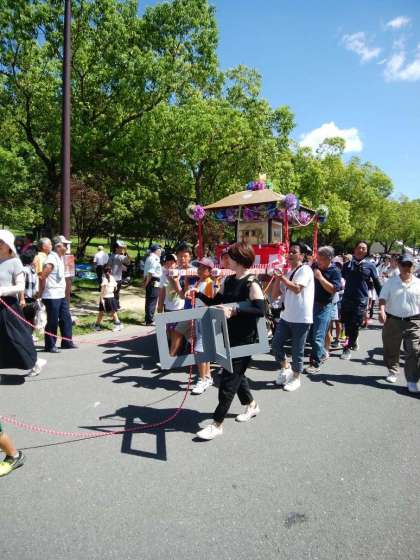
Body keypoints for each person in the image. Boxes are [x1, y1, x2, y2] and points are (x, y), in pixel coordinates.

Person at [194, 242, 264, 441]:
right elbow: (216, 302)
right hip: (228, 335)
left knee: (227, 381)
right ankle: (252, 405)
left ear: (239, 259)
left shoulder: (252, 282)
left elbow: (261, 309)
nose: (225, 260)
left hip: (245, 339)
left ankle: (217, 424)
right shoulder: (229, 280)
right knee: (237, 376)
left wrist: (236, 310)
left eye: (229, 257)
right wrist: (198, 294)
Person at [0, 229, 46, 376]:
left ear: (8, 245)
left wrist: (3, 290)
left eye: (1, 242)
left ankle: (35, 361)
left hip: (8, 305)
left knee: (17, 336)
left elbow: (20, 286)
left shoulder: (15, 262)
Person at [271, 243, 314, 392]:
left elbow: (296, 289)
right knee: (275, 344)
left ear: (301, 255)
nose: (290, 254)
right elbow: (275, 295)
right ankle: (285, 368)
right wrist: (277, 278)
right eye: (289, 252)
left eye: (294, 252)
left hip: (301, 318)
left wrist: (282, 277)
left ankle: (296, 378)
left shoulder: (306, 270)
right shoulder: (288, 273)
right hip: (286, 316)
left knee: (297, 350)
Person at [378, 253, 420, 392]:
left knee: (414, 350)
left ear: (413, 266)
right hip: (393, 321)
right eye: (404, 264)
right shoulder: (391, 282)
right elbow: (383, 298)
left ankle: (412, 379)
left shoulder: (418, 283)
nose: (406, 267)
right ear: (399, 265)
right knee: (391, 348)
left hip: (414, 322)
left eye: (409, 264)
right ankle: (392, 370)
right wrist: (382, 311)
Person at [340, 241, 381, 360]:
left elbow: (377, 284)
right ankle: (352, 341)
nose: (361, 250)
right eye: (359, 248)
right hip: (347, 298)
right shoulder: (347, 265)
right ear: (354, 249)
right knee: (347, 323)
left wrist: (383, 300)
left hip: (361, 300)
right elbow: (340, 280)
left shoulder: (370, 266)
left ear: (366, 251)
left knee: (355, 324)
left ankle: (347, 347)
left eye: (364, 248)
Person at [306, 246, 342, 374]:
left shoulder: (335, 271)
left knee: (318, 336)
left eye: (321, 259)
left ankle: (315, 363)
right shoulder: (315, 266)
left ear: (329, 258)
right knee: (310, 336)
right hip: (311, 305)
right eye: (318, 258)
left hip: (324, 306)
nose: (319, 261)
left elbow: (333, 289)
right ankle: (322, 353)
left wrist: (320, 278)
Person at [39, 238, 75, 352]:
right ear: (58, 247)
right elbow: (42, 276)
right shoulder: (51, 259)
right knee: (53, 321)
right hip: (51, 295)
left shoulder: (60, 258)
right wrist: (40, 293)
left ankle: (67, 341)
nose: (67, 247)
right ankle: (50, 345)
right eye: (65, 245)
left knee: (66, 318)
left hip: (60, 294)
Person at [189, 257, 215, 395]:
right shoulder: (199, 282)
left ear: (209, 270)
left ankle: (202, 379)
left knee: (199, 350)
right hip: (198, 317)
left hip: (206, 318)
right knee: (203, 349)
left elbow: (211, 301)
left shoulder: (211, 283)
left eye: (202, 268)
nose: (199, 270)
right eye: (198, 267)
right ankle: (207, 377)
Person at [157, 253, 186, 359]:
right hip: (168, 307)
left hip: (180, 307)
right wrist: (160, 306)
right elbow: (162, 291)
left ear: (176, 263)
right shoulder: (164, 275)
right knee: (169, 330)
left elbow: (183, 292)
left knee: (176, 331)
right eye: (167, 262)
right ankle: (174, 350)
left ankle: (173, 354)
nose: (169, 264)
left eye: (172, 262)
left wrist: (174, 279)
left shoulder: (181, 274)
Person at [93, 265, 122, 332]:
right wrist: (111, 291)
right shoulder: (112, 278)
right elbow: (115, 288)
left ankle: (118, 325)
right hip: (111, 297)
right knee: (111, 312)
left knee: (105, 312)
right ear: (110, 271)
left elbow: (104, 290)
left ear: (103, 271)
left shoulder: (104, 279)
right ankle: (97, 325)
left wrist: (101, 298)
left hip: (105, 298)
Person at [143, 244, 162, 326]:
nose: (161, 252)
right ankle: (150, 320)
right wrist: (146, 283)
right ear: (157, 250)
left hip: (150, 280)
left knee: (149, 300)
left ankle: (148, 318)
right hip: (153, 280)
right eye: (160, 250)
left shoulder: (149, 258)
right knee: (152, 300)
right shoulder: (154, 258)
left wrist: (146, 282)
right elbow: (151, 272)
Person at [108, 241, 130, 310]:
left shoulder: (111, 255)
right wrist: (126, 251)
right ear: (116, 248)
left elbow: (108, 267)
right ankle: (115, 307)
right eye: (120, 248)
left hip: (111, 278)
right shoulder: (119, 257)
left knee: (112, 293)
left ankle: (112, 306)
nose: (121, 249)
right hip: (117, 279)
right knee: (116, 293)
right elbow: (128, 262)